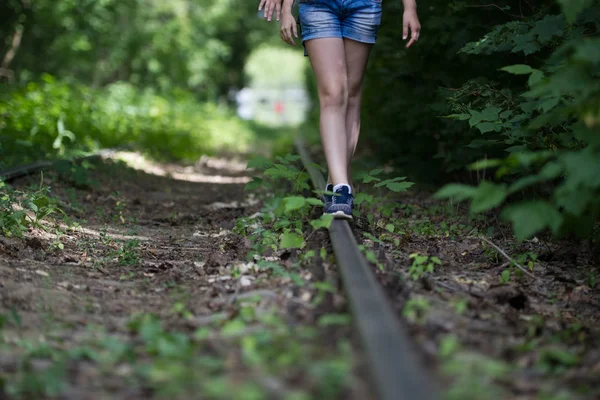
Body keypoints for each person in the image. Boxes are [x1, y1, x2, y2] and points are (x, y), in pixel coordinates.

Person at [258, 0, 420, 219]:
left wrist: (410, 8)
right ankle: (342, 188)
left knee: (351, 96)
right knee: (333, 94)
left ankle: (335, 181)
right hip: (317, 6)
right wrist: (287, 9)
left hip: (364, 6)